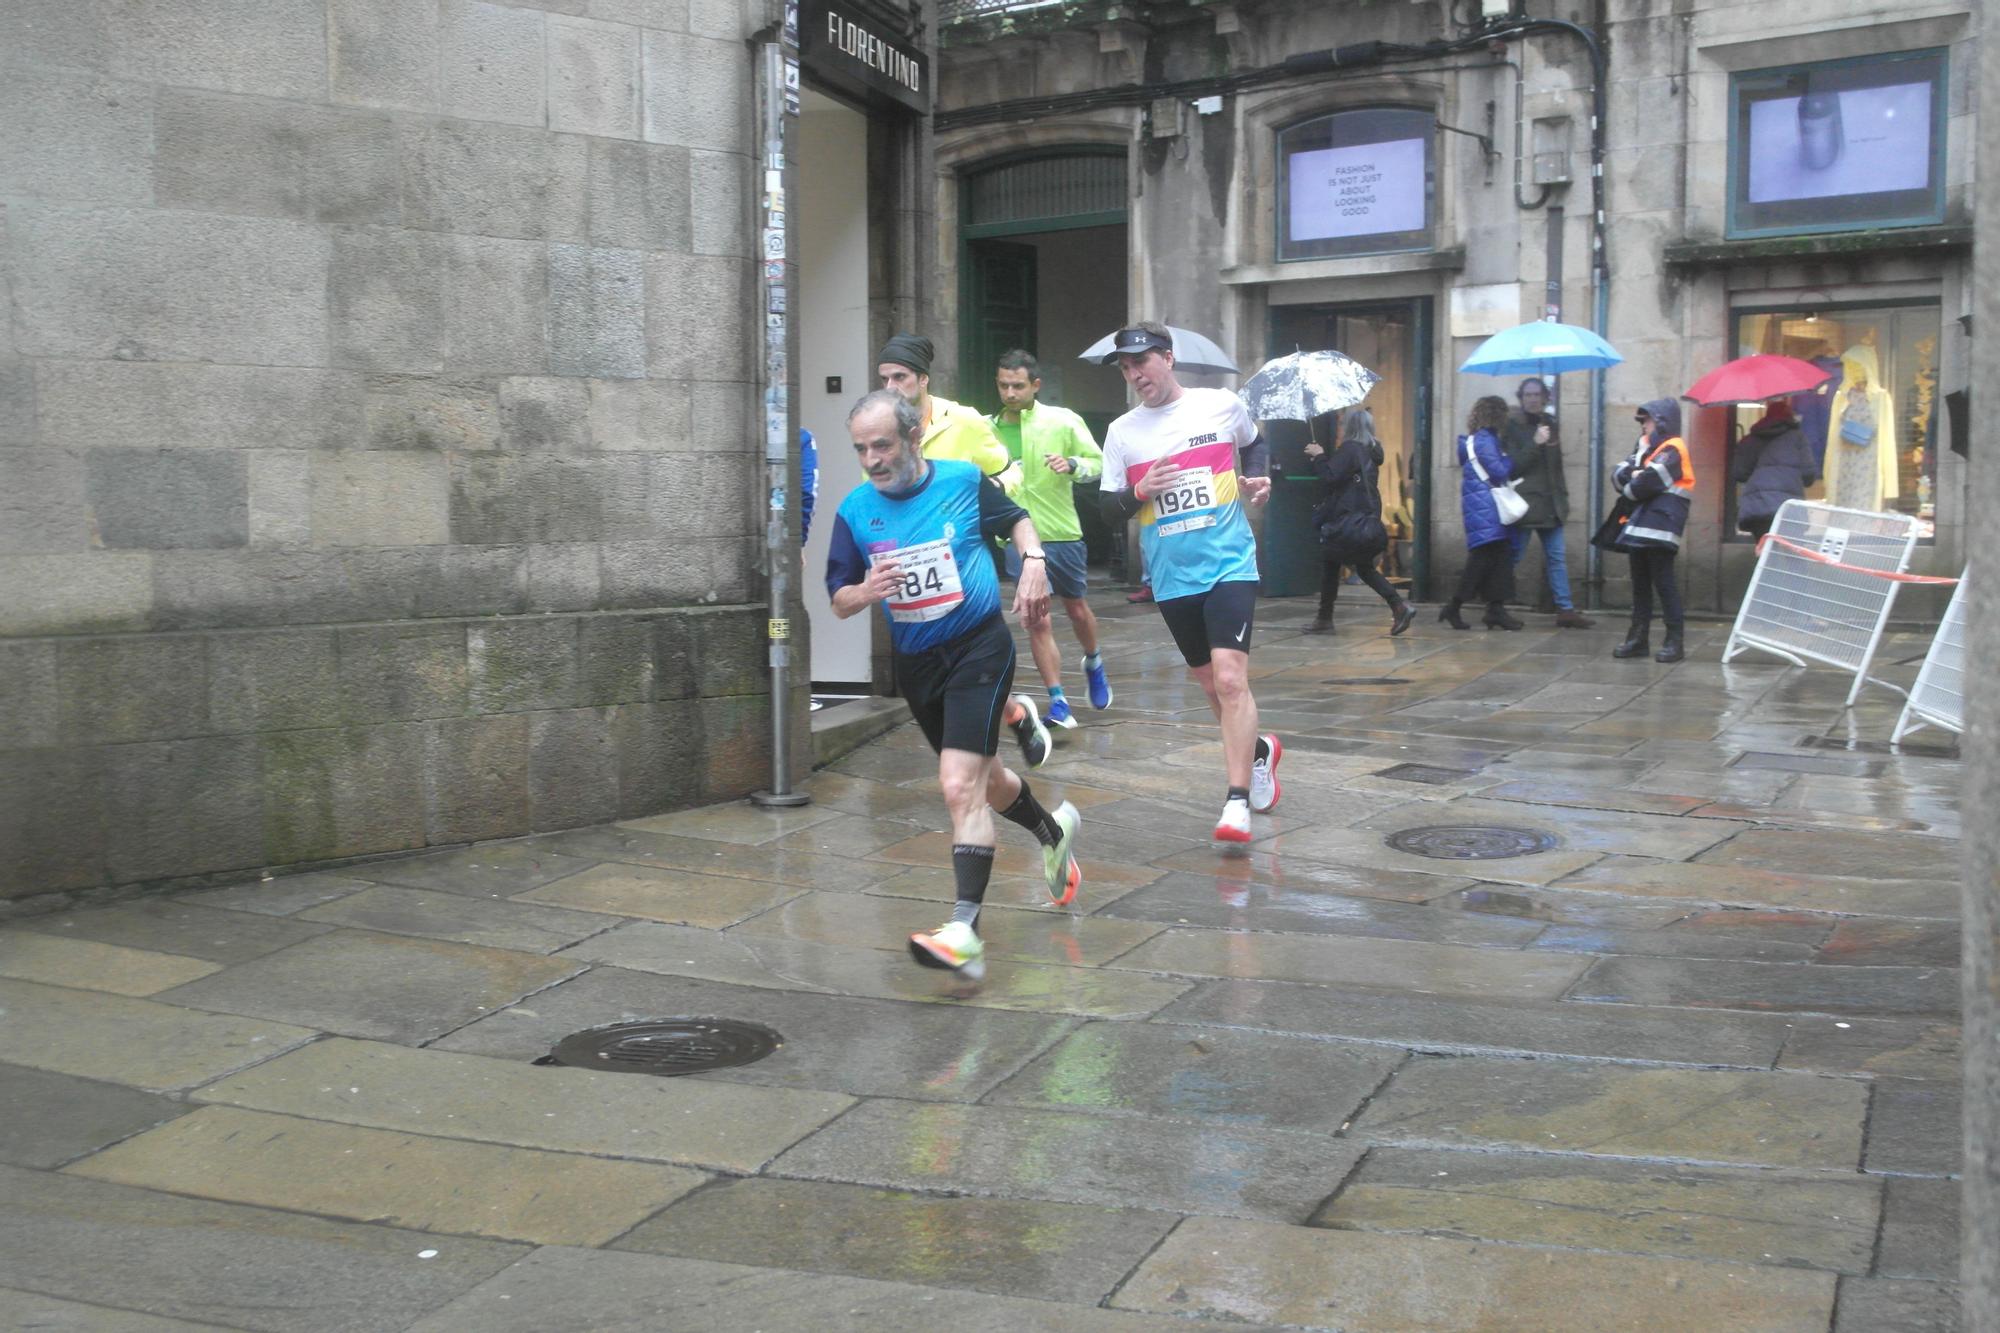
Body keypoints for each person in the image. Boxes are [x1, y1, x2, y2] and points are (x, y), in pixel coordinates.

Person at [825, 390, 1081, 981]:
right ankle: (1053, 831)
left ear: (913, 438)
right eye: (862, 448)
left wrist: (1035, 562)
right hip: (918, 663)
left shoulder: (962, 481)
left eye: (882, 445)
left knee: (956, 783)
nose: (872, 459)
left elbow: (1014, 519)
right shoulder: (855, 511)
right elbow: (838, 598)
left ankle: (964, 930)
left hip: (978, 648)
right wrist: (866, 591)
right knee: (984, 780)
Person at [1095, 322, 1281, 843]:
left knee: (1229, 679)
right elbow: (1107, 511)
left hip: (1229, 563)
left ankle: (1236, 801)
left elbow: (1257, 444)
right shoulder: (1122, 433)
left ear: (1168, 359)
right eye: (1128, 368)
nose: (1136, 375)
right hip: (1172, 577)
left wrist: (1259, 476)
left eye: (1143, 363)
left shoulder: (1219, 405)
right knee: (1208, 684)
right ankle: (1258, 751)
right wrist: (1140, 490)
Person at [989, 349, 1113, 727]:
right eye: (1003, 385)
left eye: (1018, 386)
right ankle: (1058, 700)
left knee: (1076, 608)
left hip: (1062, 533)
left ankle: (1093, 660)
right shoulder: (986, 428)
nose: (1010, 393)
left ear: (1036, 385)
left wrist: (1072, 464)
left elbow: (1099, 463)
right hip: (1017, 540)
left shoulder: (1063, 420)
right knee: (1037, 619)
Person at [1303, 408, 1415, 636]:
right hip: (1364, 520)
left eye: (1343, 424)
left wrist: (1319, 455)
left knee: (1338, 565)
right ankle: (1397, 606)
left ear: (1350, 427)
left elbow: (1330, 477)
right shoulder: (1371, 452)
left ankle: (1326, 619)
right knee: (1355, 566)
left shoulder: (1350, 449)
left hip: (1346, 520)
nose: (1341, 427)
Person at [1607, 398, 1695, 664]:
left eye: (1647, 420)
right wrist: (1633, 476)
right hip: (1640, 525)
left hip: (1660, 527)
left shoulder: (1673, 449)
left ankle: (1674, 642)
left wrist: (1632, 479)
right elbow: (1617, 474)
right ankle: (1637, 639)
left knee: (1664, 583)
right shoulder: (1646, 448)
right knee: (1640, 585)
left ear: (1661, 421)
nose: (1643, 425)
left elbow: (1644, 484)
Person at [1500, 378, 1593, 627]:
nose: (1533, 399)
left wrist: (1562, 497)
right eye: (1528, 394)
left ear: (1545, 397)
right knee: (1513, 556)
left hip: (1551, 505)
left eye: (1537, 394)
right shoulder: (1511, 426)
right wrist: (1535, 443)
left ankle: (1565, 610)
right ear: (1521, 397)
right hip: (1525, 505)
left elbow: (1556, 467)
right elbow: (1513, 466)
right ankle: (1494, 603)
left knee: (1556, 557)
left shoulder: (1550, 424)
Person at [875, 333, 1010, 478]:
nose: (890, 387)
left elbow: (1008, 471)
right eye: (884, 379)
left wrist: (994, 489)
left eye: (899, 377)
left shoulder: (963, 420)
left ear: (923, 379)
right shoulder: (879, 428)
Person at [1441, 396, 1523, 631]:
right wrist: (1508, 459)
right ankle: (1455, 606)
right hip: (1488, 509)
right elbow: (1498, 472)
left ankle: (1495, 610)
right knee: (1482, 561)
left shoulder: (1473, 441)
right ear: (1498, 415)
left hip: (1481, 509)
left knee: (1497, 559)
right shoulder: (1486, 440)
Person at [1733, 398, 1816, 541]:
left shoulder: (1752, 439)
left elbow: (1739, 473)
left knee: (1764, 555)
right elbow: (1808, 475)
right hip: (1789, 510)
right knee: (1792, 556)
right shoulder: (1798, 437)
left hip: (1758, 507)